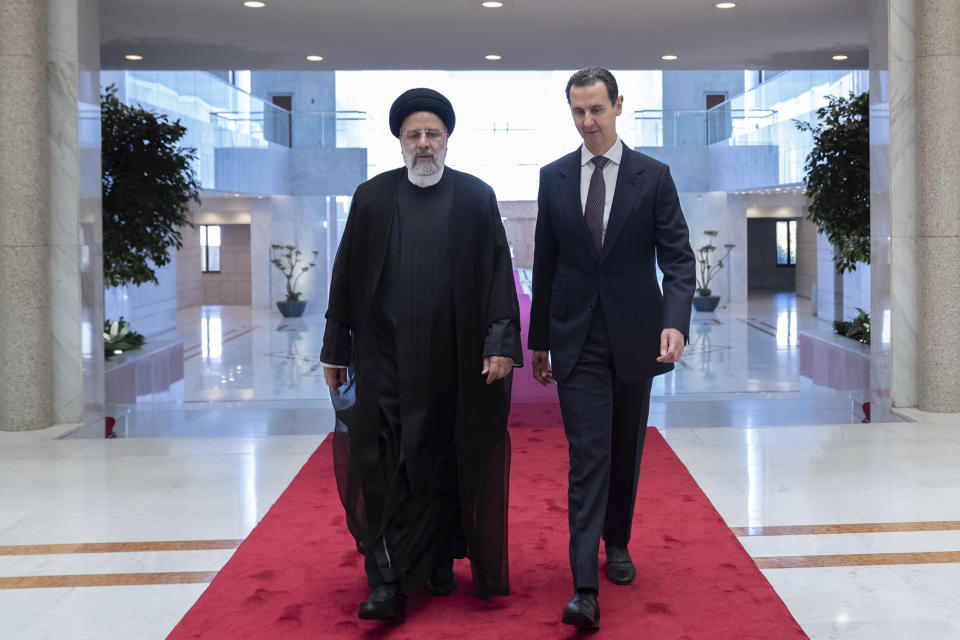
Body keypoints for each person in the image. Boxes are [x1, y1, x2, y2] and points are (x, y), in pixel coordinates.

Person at [321, 88, 522, 623]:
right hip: (384, 360)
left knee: (444, 463)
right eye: (414, 135)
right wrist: (334, 346)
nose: (425, 143)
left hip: (454, 363)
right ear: (400, 143)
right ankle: (387, 580)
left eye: (433, 133)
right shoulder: (371, 198)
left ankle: (435, 558)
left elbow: (499, 273)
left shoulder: (476, 198)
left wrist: (501, 343)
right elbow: (344, 277)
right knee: (383, 464)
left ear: (448, 139)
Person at [529, 67, 696, 630]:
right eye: (577, 112)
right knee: (587, 457)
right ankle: (583, 587)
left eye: (596, 110)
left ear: (618, 105)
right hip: (576, 340)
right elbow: (545, 265)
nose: (587, 122)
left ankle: (617, 540)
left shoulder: (653, 177)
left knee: (624, 450)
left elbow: (677, 258)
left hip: (634, 337)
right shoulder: (553, 178)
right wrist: (539, 343)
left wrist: (675, 321)